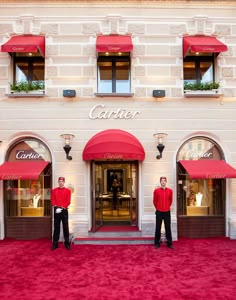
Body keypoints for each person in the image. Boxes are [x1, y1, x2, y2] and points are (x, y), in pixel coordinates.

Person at [51, 177, 71, 250]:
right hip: (56, 211)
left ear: (64, 182)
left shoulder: (68, 191)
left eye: (62, 181)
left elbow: (68, 201)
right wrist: (56, 207)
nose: (61, 183)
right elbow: (52, 199)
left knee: (65, 227)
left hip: (64, 211)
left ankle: (67, 243)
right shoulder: (54, 191)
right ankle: (55, 244)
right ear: (58, 182)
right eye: (59, 181)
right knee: (56, 227)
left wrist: (62, 208)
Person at [153, 176, 173, 249]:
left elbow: (170, 201)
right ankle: (156, 243)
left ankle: (169, 243)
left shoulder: (170, 191)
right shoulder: (156, 191)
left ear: (166, 182)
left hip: (167, 212)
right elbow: (154, 201)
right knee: (158, 228)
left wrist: (167, 207)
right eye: (162, 181)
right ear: (160, 182)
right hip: (159, 212)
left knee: (168, 228)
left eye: (164, 181)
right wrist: (158, 208)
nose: (163, 182)